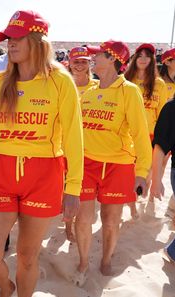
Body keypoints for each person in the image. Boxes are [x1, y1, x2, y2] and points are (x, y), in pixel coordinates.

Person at [0, 11, 83, 296]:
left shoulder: (61, 80)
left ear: (37, 40)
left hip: (44, 175)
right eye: (8, 38)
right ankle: (6, 287)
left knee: (27, 256)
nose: (10, 43)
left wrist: (74, 188)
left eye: (17, 37)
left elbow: (73, 136)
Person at [73, 40, 152, 286]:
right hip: (86, 163)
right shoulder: (89, 91)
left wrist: (142, 172)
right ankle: (84, 261)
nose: (92, 59)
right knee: (83, 218)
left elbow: (140, 134)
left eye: (98, 55)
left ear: (112, 59)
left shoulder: (128, 91)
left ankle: (106, 260)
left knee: (110, 219)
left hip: (118, 165)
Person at [124, 43, 167, 208]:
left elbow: (162, 113)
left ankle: (140, 197)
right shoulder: (126, 81)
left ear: (152, 60)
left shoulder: (159, 84)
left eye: (147, 56)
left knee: (147, 172)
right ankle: (131, 203)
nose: (143, 59)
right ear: (134, 59)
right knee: (129, 171)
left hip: (150, 135)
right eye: (139, 55)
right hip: (128, 135)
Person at [65, 46, 98, 242]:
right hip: (67, 144)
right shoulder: (64, 84)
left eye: (83, 61)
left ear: (89, 64)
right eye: (76, 61)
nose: (79, 65)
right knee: (68, 186)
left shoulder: (97, 86)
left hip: (91, 147)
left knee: (84, 191)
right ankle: (68, 225)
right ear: (69, 63)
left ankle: (78, 224)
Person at [150, 84, 175, 266]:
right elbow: (160, 146)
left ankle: (174, 253)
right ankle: (173, 253)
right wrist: (156, 179)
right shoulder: (173, 107)